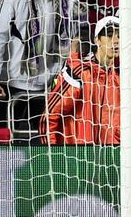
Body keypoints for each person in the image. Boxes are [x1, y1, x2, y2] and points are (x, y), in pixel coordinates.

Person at [0, 0, 77, 136]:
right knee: (19, 142)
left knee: (48, 143)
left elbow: (70, 40)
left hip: (51, 84)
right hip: (16, 83)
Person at [41, 16, 121, 145]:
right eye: (110, 35)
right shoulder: (79, 72)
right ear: (97, 40)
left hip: (109, 159)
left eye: (120, 36)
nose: (116, 41)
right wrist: (53, 155)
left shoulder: (121, 80)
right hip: (75, 158)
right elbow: (50, 115)